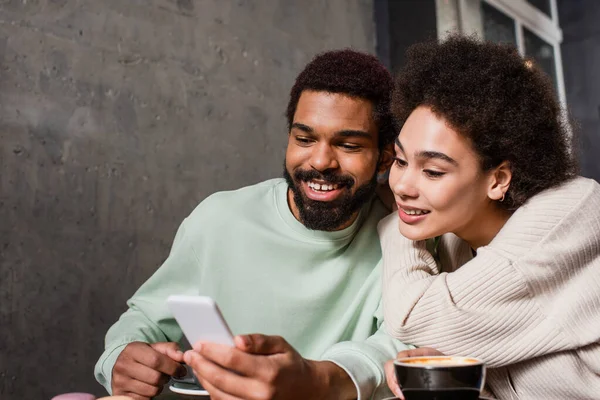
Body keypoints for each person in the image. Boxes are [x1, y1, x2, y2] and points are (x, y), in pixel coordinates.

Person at [95, 49, 413, 400]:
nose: (321, 161)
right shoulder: (219, 219)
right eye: (304, 139)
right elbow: (146, 315)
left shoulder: (405, 237)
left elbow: (400, 345)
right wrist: (120, 356)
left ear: (385, 156)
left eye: (349, 144)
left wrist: (317, 380)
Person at [379, 35, 600, 399]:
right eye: (401, 161)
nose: (402, 184)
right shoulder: (456, 241)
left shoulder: (569, 211)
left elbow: (411, 315)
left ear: (497, 180)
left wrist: (395, 222)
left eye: (432, 171)